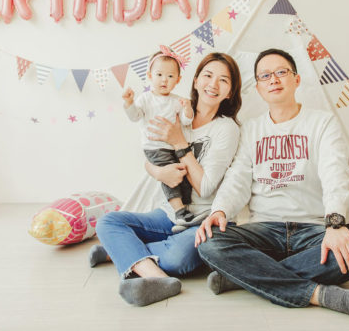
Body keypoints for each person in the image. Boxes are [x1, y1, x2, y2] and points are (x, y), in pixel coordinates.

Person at [195, 48, 349, 322]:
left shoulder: (322, 122)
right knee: (209, 242)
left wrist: (335, 224)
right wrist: (219, 211)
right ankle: (319, 294)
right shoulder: (251, 129)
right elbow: (237, 178)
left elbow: (335, 174)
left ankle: (244, 277)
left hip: (314, 230)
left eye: (281, 72)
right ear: (258, 87)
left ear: (296, 79)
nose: (274, 79)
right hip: (264, 231)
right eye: (265, 76)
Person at [92, 52, 243, 307]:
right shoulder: (176, 111)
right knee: (108, 222)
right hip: (169, 214)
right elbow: (152, 153)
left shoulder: (226, 128)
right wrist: (156, 172)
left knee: (177, 258)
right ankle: (159, 279)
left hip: (203, 220)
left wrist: (180, 143)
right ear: (195, 81)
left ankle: (121, 251)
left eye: (223, 80)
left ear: (230, 92)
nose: (213, 84)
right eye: (207, 75)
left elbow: (205, 189)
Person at [122, 46, 200, 226]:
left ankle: (186, 207)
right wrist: (129, 102)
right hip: (155, 147)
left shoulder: (177, 100)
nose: (164, 80)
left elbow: (187, 121)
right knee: (168, 174)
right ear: (150, 76)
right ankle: (179, 211)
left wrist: (188, 108)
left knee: (183, 173)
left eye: (170, 76)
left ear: (178, 80)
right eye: (159, 75)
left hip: (174, 146)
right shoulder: (145, 99)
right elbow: (135, 116)